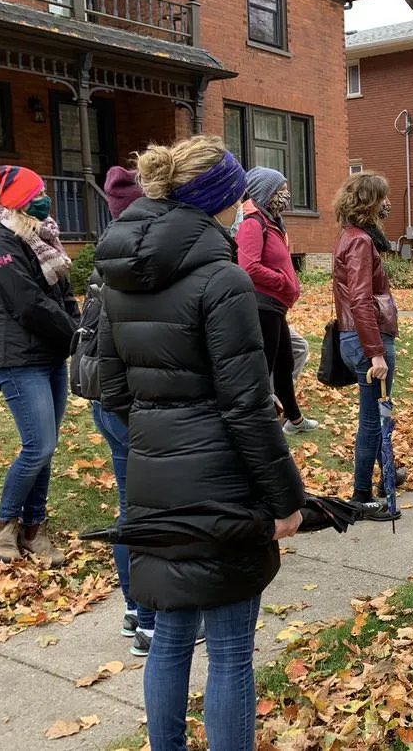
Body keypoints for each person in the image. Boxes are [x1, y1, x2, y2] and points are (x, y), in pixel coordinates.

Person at [95, 136, 305, 751]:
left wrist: (163, 442)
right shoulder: (225, 279)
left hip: (157, 478)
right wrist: (286, 499)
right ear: (221, 201)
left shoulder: (119, 278)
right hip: (222, 485)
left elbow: (113, 391)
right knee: (233, 651)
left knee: (169, 638)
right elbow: (247, 405)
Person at [0, 166, 78, 565]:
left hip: (49, 355)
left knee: (46, 447)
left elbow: (61, 292)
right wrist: (75, 335)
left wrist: (76, 325)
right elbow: (27, 303)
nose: (45, 197)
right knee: (38, 445)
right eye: (37, 192)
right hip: (16, 357)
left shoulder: (38, 236)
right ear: (14, 200)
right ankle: (4, 527)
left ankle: (34, 528)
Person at [89, 165, 158, 650]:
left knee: (129, 506)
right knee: (148, 509)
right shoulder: (140, 259)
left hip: (106, 400)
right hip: (131, 403)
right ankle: (152, 621)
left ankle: (135, 610)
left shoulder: (105, 255)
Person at [331, 172, 399, 518]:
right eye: (382, 198)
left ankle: (387, 472)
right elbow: (360, 299)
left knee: (376, 411)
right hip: (365, 338)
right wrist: (375, 352)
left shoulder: (351, 236)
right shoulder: (359, 241)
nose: (387, 203)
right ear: (370, 203)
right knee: (372, 418)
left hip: (358, 335)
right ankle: (361, 493)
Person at [235, 167, 317, 435]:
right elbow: (249, 267)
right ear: (267, 193)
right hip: (262, 306)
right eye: (280, 190)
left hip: (275, 307)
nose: (286, 195)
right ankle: (259, 425)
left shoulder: (271, 221)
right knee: (265, 368)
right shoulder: (252, 223)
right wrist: (282, 281)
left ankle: (294, 421)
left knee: (284, 364)